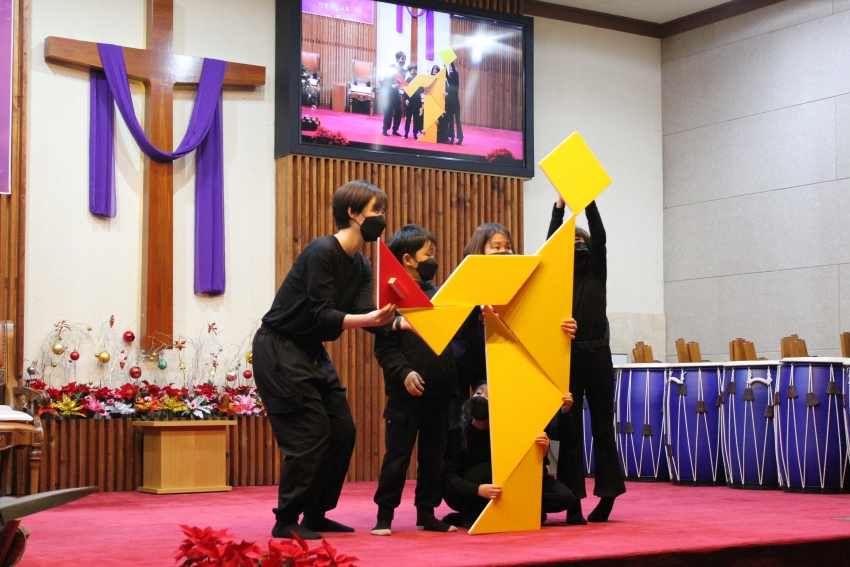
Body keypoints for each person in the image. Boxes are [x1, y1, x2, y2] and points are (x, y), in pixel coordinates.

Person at [253, 180, 400, 540]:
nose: (382, 218)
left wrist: (402, 324)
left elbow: (365, 313)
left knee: (342, 430)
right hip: (279, 347)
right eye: (376, 210)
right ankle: (286, 518)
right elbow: (323, 313)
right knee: (311, 434)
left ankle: (315, 514)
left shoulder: (361, 264)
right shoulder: (321, 250)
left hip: (311, 350)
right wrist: (370, 318)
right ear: (352, 212)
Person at [371, 225, 458, 536]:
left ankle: (427, 513)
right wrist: (404, 372)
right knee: (397, 457)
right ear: (407, 259)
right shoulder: (390, 297)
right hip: (404, 394)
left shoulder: (442, 295)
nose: (434, 259)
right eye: (428, 254)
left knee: (434, 458)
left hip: (440, 393)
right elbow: (383, 348)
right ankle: (384, 516)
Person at [448, 223, 577, 426]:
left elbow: (538, 321)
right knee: (459, 426)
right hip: (464, 365)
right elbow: (452, 331)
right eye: (496, 247)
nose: (504, 252)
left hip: (505, 364)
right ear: (479, 251)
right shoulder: (462, 285)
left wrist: (563, 326)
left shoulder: (522, 286)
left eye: (508, 247)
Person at [549, 196, 626, 524]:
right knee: (570, 429)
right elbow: (552, 242)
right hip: (568, 355)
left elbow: (600, 235)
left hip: (598, 353)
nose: (577, 245)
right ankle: (573, 501)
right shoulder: (558, 277)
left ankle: (608, 495)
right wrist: (558, 209)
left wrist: (587, 200)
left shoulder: (597, 271)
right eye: (572, 243)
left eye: (581, 241)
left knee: (603, 427)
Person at [442, 383, 575, 528]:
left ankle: (505, 511)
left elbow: (525, 470)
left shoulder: (509, 431)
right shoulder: (457, 434)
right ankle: (473, 514)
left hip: (507, 485)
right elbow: (449, 478)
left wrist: (540, 453)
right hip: (472, 489)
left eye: (489, 396)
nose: (482, 398)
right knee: (487, 471)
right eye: (479, 393)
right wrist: (478, 489)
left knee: (563, 497)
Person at [381, 52, 406, 137]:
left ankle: (395, 130)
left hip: (396, 92)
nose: (403, 61)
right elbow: (386, 81)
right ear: (397, 59)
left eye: (404, 59)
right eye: (402, 59)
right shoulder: (391, 67)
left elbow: (402, 82)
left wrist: (402, 86)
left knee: (398, 111)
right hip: (388, 91)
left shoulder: (403, 71)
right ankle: (385, 129)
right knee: (388, 111)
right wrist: (392, 85)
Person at [444, 61, 463, 145]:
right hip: (454, 102)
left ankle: (454, 138)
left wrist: (449, 63)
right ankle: (457, 137)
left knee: (453, 120)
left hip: (452, 102)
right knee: (454, 120)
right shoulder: (453, 80)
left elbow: (449, 73)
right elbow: (446, 73)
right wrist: (447, 63)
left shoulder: (453, 80)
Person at [403, 64, 423, 140]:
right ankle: (406, 133)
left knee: (416, 118)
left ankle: (415, 134)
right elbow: (405, 90)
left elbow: (421, 90)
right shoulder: (407, 79)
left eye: (415, 69)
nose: (414, 70)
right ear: (410, 70)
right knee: (408, 118)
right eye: (413, 69)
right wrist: (406, 99)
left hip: (417, 100)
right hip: (410, 101)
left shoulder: (418, 79)